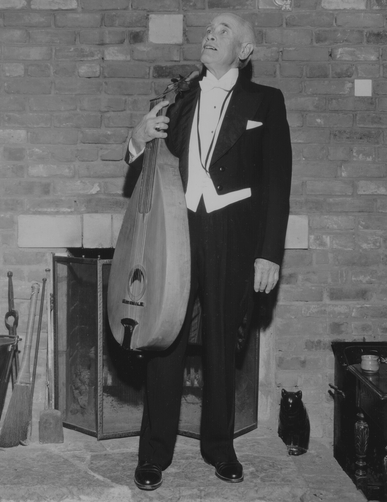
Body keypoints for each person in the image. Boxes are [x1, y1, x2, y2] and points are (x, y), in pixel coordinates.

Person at [126, 12, 292, 490]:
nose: (210, 35)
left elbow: (277, 182)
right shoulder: (180, 98)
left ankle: (219, 447)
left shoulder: (266, 101)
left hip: (234, 238)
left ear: (244, 51)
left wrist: (269, 253)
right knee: (165, 341)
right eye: (208, 29)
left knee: (223, 342)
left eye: (223, 32)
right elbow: (148, 159)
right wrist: (137, 138)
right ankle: (154, 453)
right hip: (175, 235)